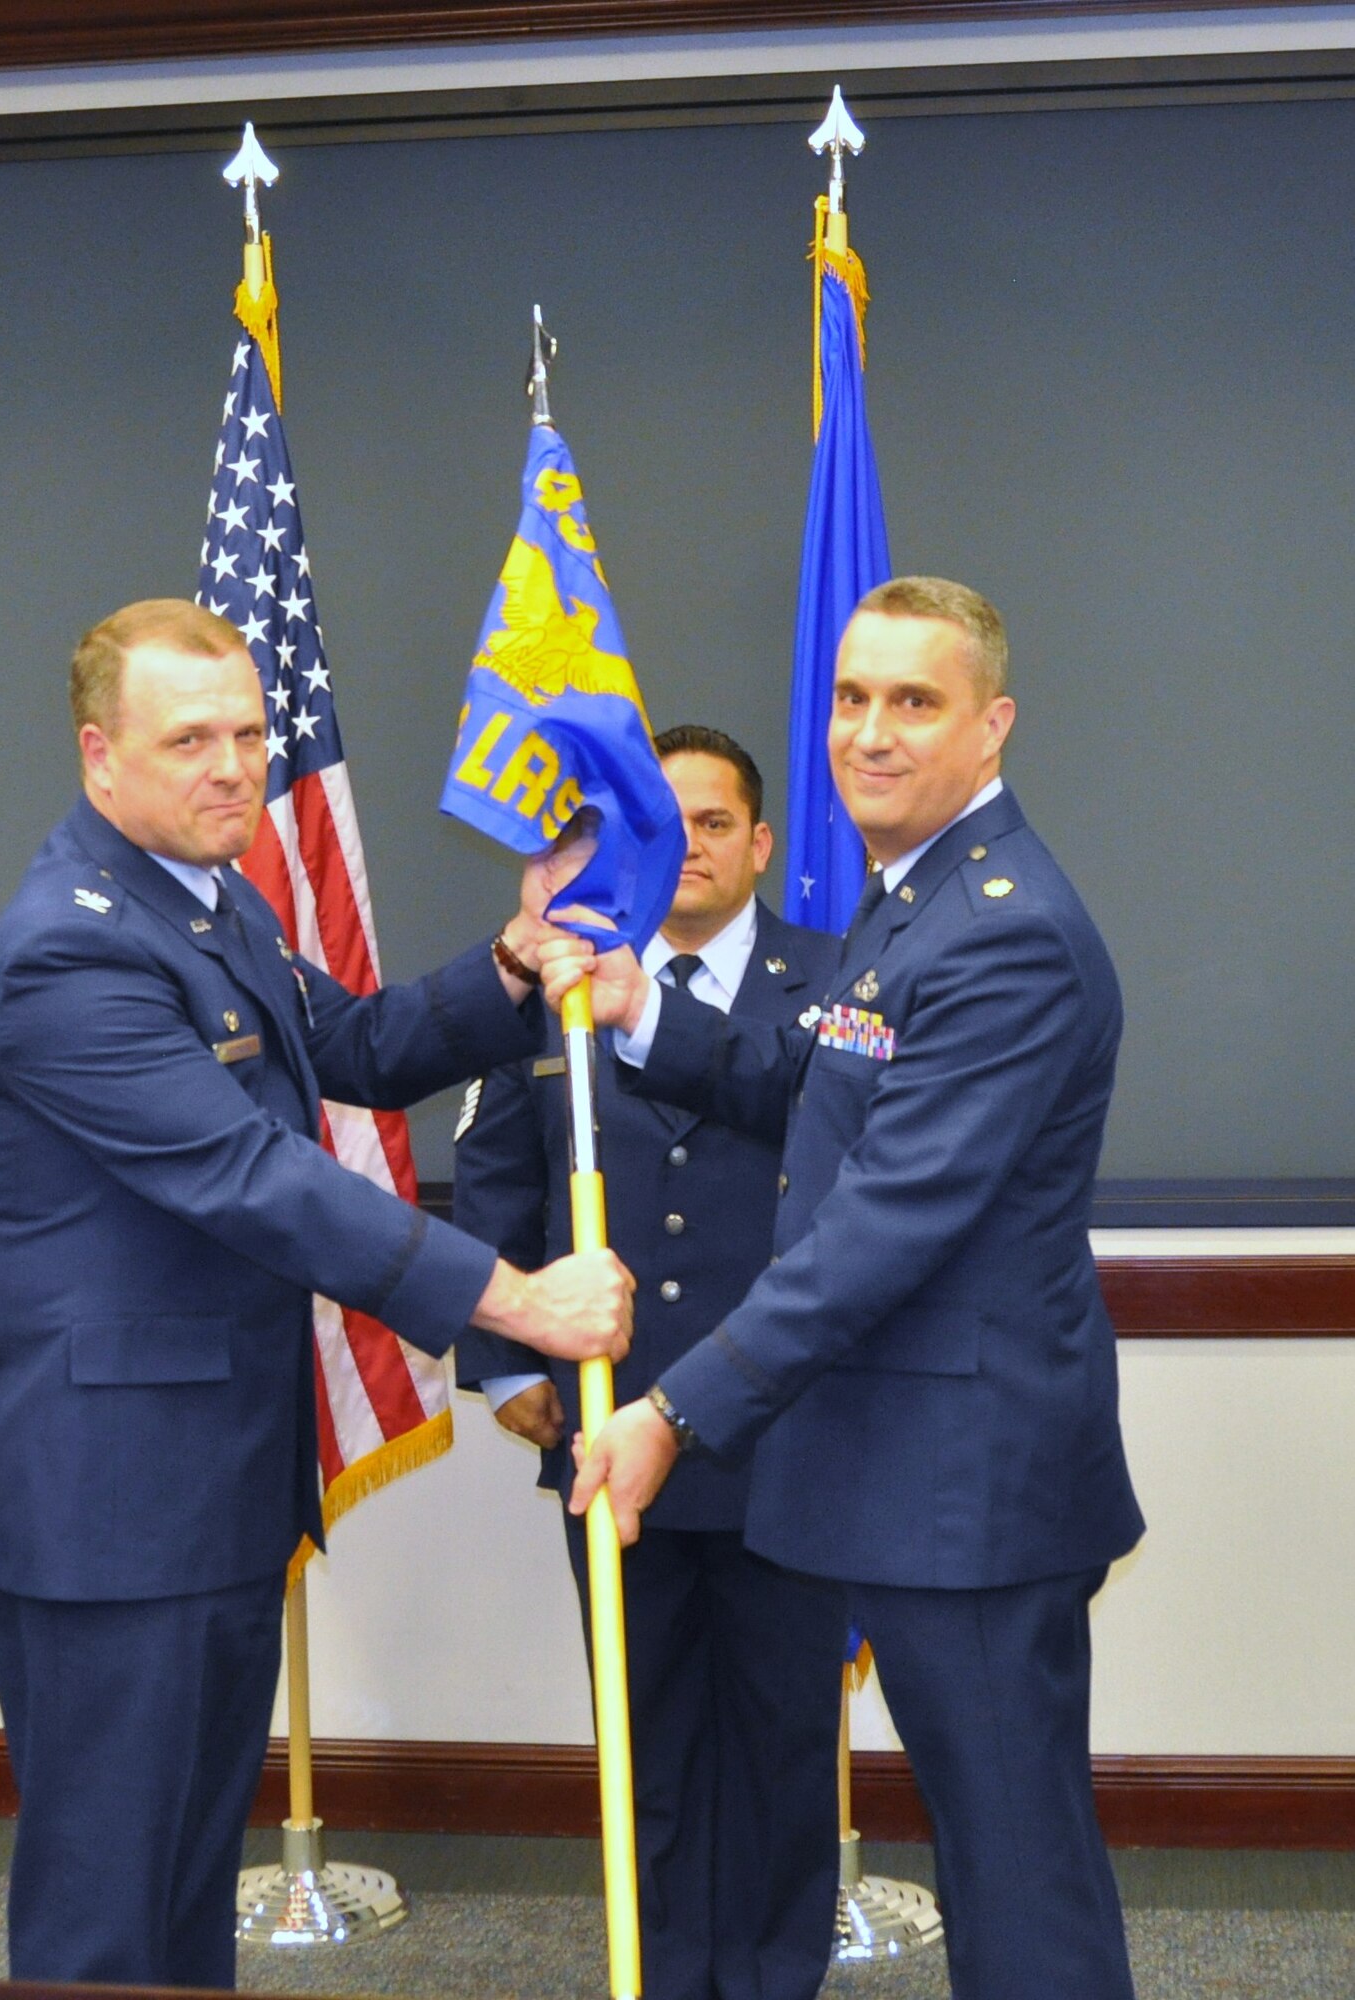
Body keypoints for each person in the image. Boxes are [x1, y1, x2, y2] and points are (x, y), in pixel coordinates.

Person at [0, 598, 633, 1991]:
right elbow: (258, 1181)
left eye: (251, 733)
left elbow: (361, 1046)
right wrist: (517, 1302)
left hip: (202, 1484)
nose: (233, 766)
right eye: (189, 738)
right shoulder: (66, 954)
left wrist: (509, 962)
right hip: (108, 1504)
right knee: (106, 1906)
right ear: (100, 755)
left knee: (187, 1878)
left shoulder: (219, 899)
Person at [551, 579, 1145, 2000]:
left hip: (970, 1489)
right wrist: (651, 1015)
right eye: (852, 698)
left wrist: (673, 1413)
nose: (869, 734)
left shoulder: (1000, 928)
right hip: (913, 1466)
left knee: (1016, 1875)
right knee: (998, 1857)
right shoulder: (913, 902)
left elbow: (885, 1223)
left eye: (915, 702)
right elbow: (818, 1086)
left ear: (992, 725)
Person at [454, 727, 849, 2000]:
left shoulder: (838, 982)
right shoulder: (564, 979)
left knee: (788, 1737)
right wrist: (499, 1356)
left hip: (783, 1430)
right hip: (603, 1429)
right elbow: (496, 1170)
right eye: (665, 826)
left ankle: (775, 1973)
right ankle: (664, 1968)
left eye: (716, 823)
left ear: (761, 843)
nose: (691, 848)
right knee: (647, 1735)